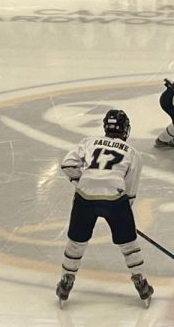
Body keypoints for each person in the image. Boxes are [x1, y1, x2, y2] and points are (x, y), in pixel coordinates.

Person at [55, 110, 154, 308]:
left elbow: (67, 164)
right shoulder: (132, 152)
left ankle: (66, 281)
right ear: (126, 129)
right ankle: (140, 282)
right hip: (115, 198)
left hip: (85, 196)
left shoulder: (88, 142)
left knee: (76, 241)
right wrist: (123, 214)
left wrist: (82, 181)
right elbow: (131, 189)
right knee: (128, 244)